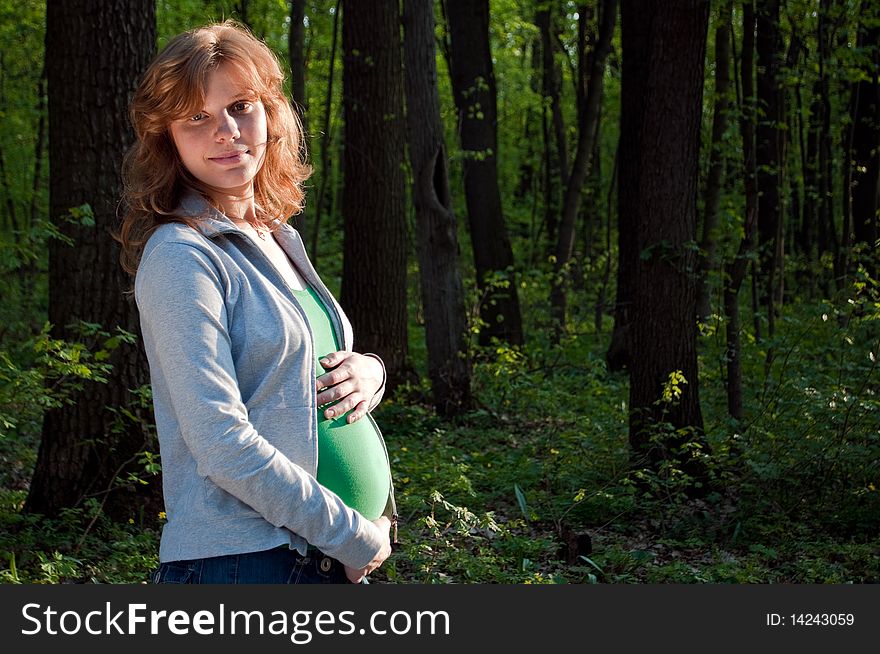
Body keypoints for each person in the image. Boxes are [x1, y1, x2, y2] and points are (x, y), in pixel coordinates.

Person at [118, 20, 396, 584]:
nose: (227, 130)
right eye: (197, 116)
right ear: (166, 136)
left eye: (242, 105)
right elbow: (220, 440)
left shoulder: (276, 237)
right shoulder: (182, 254)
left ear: (271, 114)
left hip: (311, 555)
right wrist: (351, 535)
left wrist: (371, 372)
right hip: (247, 562)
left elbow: (305, 372)